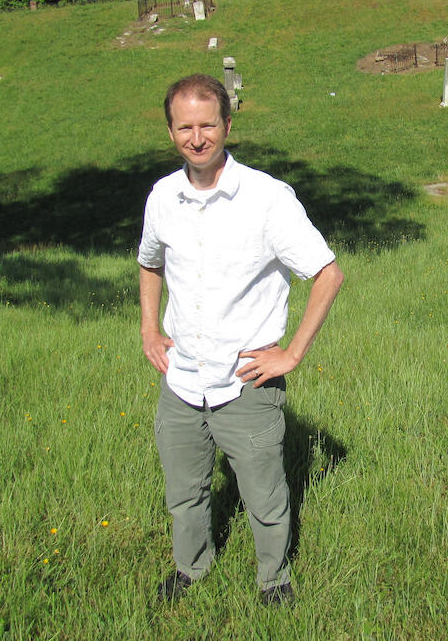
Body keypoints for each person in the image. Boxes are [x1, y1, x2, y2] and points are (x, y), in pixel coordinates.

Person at [137, 73, 344, 607]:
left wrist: (291, 354)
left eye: (208, 124)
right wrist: (148, 328)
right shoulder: (162, 197)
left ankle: (274, 580)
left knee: (264, 497)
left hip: (245, 382)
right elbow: (149, 263)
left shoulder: (268, 199)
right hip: (181, 379)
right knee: (184, 494)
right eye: (185, 127)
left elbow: (327, 273)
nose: (197, 137)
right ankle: (191, 568)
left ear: (228, 125)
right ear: (171, 132)